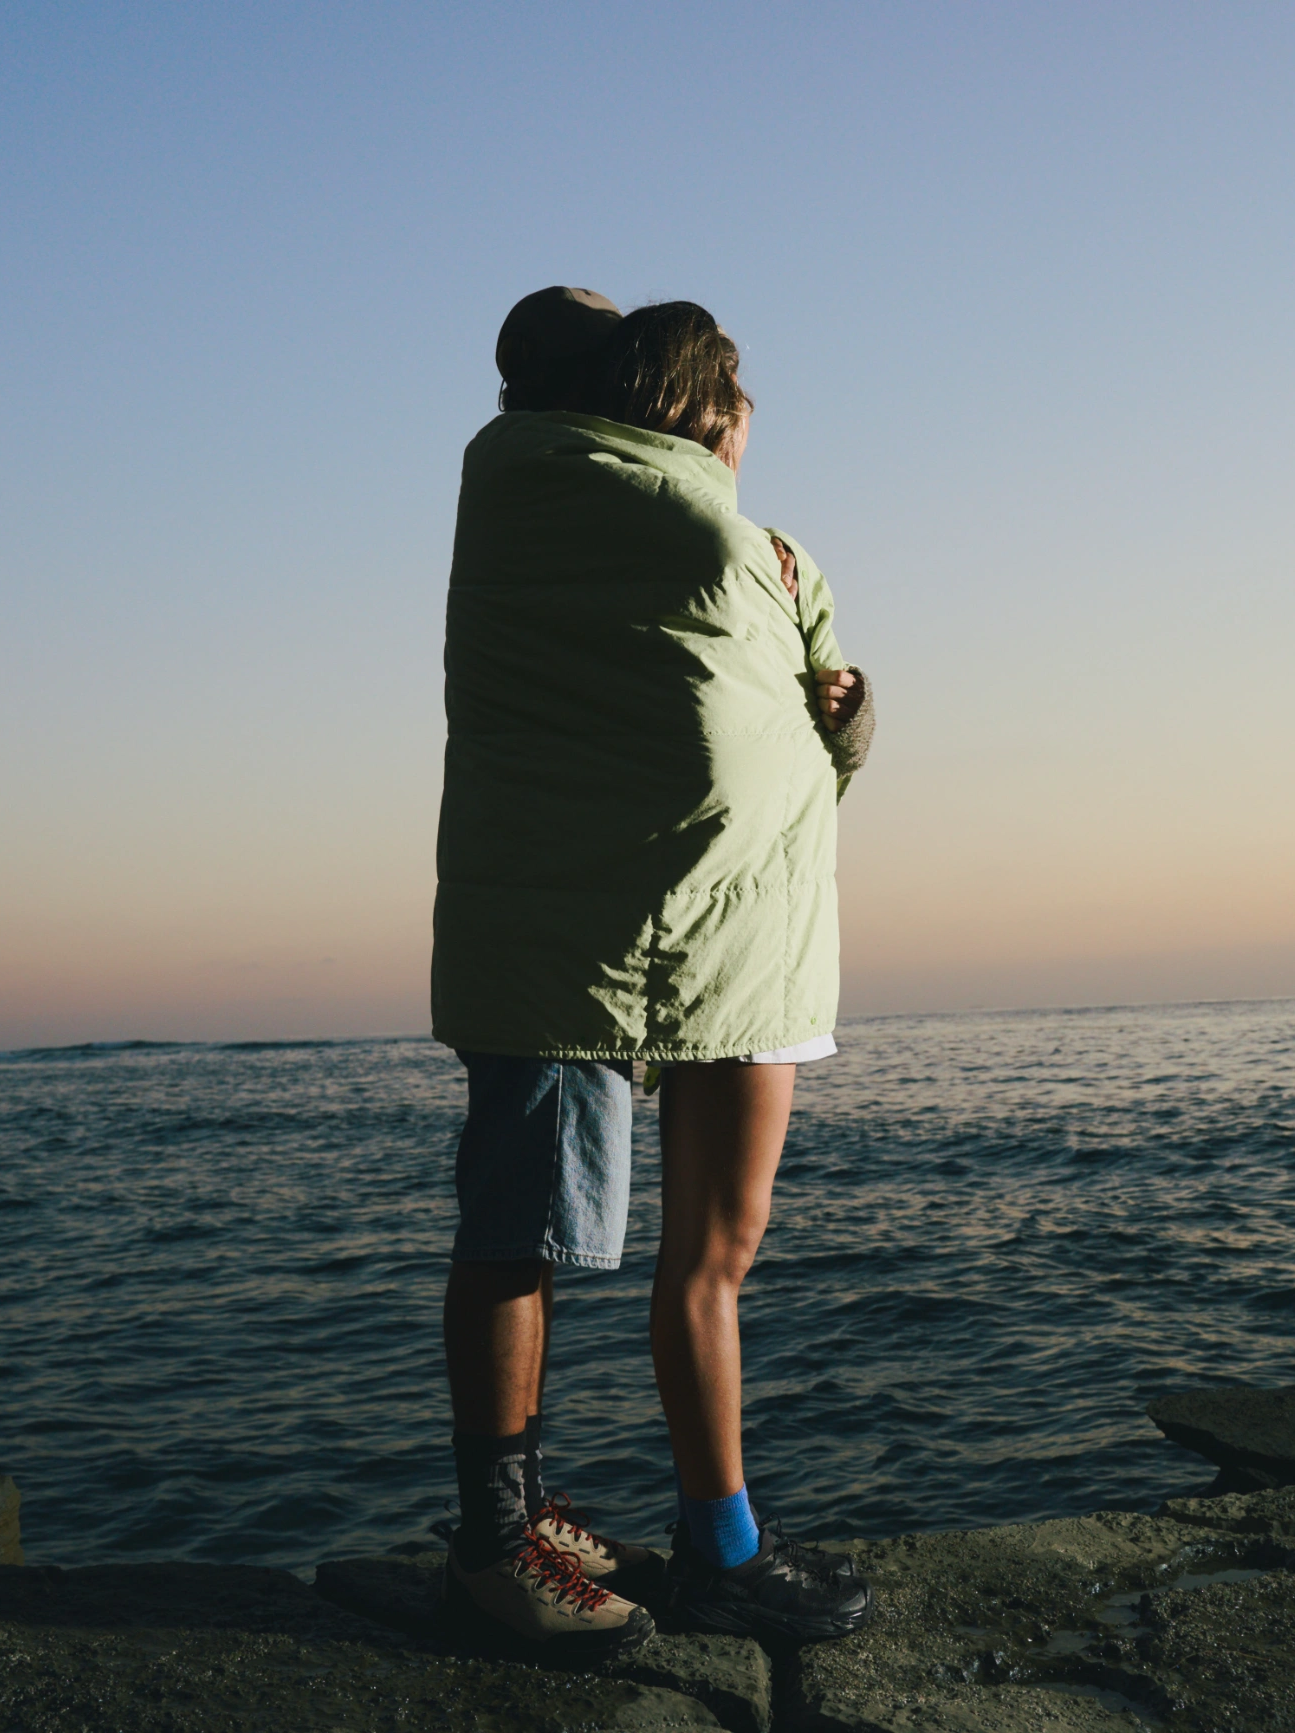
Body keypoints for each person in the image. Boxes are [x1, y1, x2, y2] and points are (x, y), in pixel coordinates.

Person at [432, 289, 876, 1655]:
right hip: (580, 932)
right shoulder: (556, 493)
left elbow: (768, 728)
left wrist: (842, 725)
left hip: (667, 932)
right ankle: (499, 1546)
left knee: (590, 1245)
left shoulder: (721, 541)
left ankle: (661, 1538)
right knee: (528, 1237)